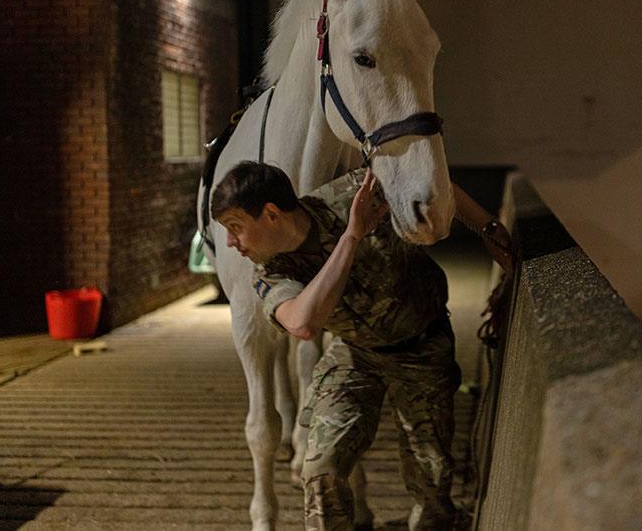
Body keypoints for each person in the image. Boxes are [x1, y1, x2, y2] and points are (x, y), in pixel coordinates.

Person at [211, 162, 511, 531]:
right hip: (355, 353)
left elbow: (436, 187)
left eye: (235, 228)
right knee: (321, 468)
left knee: (432, 484)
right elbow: (302, 323)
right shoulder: (269, 273)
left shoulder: (355, 193)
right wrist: (351, 237)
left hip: (422, 345)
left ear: (271, 214)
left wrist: (488, 228)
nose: (230, 243)